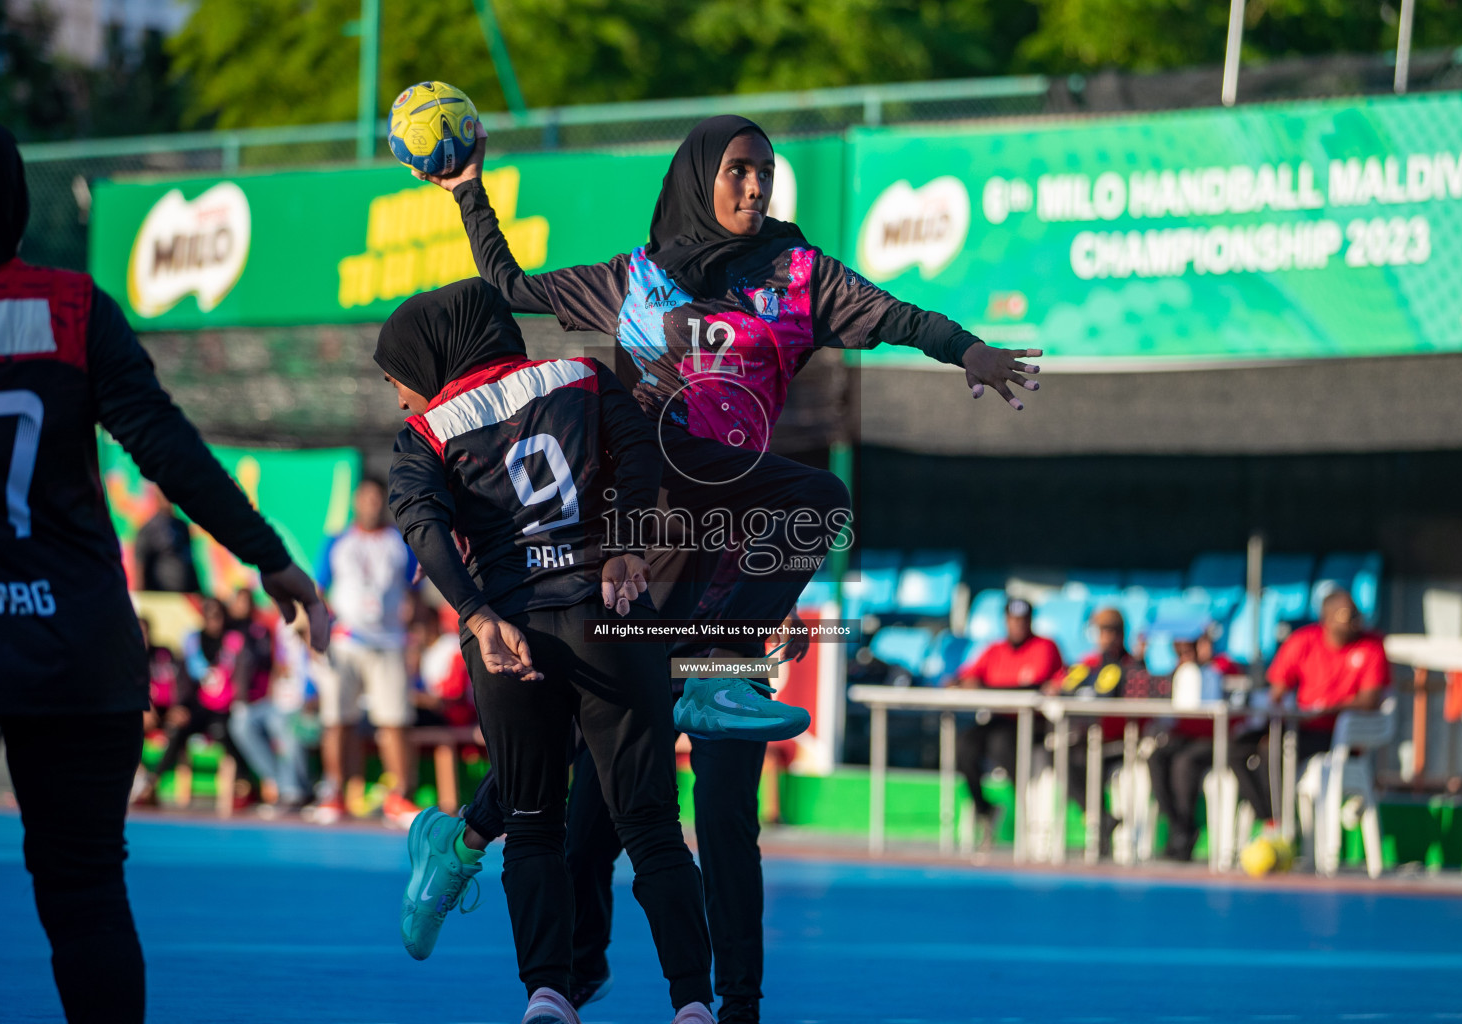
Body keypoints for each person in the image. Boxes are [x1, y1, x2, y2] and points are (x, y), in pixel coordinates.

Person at [416, 113, 1044, 1022]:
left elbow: (899, 315)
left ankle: (732, 1003)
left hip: (727, 559)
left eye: (768, 172)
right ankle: (526, 912)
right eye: (740, 171)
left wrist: (967, 349)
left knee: (723, 796)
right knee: (598, 778)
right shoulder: (632, 280)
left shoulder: (802, 276)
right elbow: (508, 285)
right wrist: (469, 191)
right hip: (636, 547)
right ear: (699, 176)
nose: (757, 187)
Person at [0, 114, 329, 1024]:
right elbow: (165, 446)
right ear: (13, 201)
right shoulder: (72, 308)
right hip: (75, 642)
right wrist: (268, 556)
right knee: (84, 898)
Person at [379, 278, 716, 1024]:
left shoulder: (429, 430)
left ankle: (548, 996)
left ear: (431, 357)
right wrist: (626, 545)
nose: (399, 397)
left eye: (395, 376)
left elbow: (422, 523)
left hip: (512, 632)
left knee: (533, 823)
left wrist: (472, 609)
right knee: (654, 828)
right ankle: (694, 1005)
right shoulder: (584, 375)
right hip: (609, 614)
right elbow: (639, 458)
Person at [313, 478, 421, 825]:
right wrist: (315, 638)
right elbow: (318, 590)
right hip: (345, 642)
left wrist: (414, 637)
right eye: (366, 498)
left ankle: (399, 796)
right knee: (337, 720)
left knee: (395, 722)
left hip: (389, 642)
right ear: (356, 502)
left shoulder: (399, 543)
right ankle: (334, 794)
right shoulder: (336, 541)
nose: (372, 504)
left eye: (378, 498)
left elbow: (415, 592)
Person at [1230, 589, 1387, 823]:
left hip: (1337, 734)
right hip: (1300, 724)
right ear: (1327, 617)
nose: (1356, 621)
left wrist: (1327, 708)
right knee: (1236, 748)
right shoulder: (1305, 640)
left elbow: (1370, 700)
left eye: (1357, 614)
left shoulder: (1371, 645)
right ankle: (1270, 820)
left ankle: (1278, 826)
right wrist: (1278, 704)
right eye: (1348, 615)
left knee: (1272, 749)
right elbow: (1278, 689)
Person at [951, 598, 1065, 846]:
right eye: (1013, 620)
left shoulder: (1045, 646)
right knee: (963, 747)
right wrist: (964, 682)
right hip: (997, 719)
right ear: (1006, 621)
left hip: (1032, 724)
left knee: (1002, 745)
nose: (1018, 625)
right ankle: (984, 809)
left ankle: (1026, 818)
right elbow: (967, 676)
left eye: (1023, 620)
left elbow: (1033, 686)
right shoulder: (995, 650)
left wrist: (986, 688)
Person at [134, 597, 252, 807]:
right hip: (199, 707)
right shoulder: (193, 641)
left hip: (225, 708)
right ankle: (152, 782)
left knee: (224, 731)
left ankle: (242, 784)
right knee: (177, 730)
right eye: (210, 616)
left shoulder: (233, 641)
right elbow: (184, 681)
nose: (214, 621)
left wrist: (239, 702)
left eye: (218, 616)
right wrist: (180, 707)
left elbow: (241, 675)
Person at [1048, 606, 1137, 840]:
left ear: (1121, 634)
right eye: (1102, 631)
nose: (1106, 637)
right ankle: (1100, 819)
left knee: (1083, 758)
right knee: (1062, 756)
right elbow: (1063, 686)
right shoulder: (1088, 663)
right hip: (1087, 739)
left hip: (1120, 743)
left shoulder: (1133, 666)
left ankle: (1101, 824)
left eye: (1111, 631)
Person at [1145, 624, 1227, 861]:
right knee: (1156, 758)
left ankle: (1184, 832)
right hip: (1182, 737)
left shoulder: (1220, 669)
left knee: (1184, 764)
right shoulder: (1177, 674)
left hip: (1210, 739)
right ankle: (1178, 827)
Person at [225, 586, 311, 809]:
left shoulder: (311, 625)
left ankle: (294, 793)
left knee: (283, 725)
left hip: (304, 702)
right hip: (276, 700)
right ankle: (284, 786)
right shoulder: (272, 626)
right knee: (241, 724)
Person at [133, 485, 201, 593]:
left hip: (186, 595)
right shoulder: (148, 529)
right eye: (164, 494)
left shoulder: (181, 526)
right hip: (162, 597)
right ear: (157, 497)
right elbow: (141, 565)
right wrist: (140, 598)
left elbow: (189, 559)